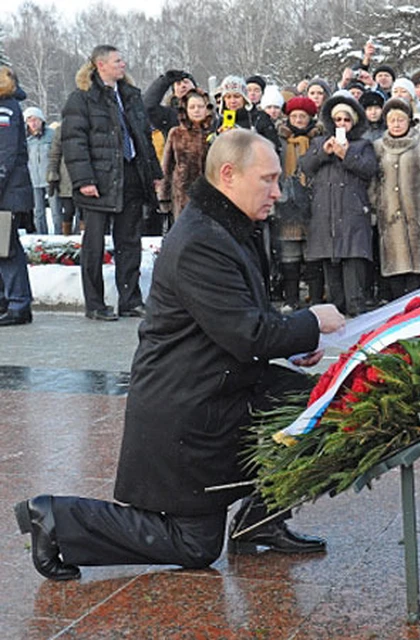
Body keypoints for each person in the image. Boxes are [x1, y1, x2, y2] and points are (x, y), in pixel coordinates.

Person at [13, 129, 345, 581]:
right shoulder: (203, 240)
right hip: (188, 408)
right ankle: (56, 520)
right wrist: (310, 322)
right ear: (228, 175)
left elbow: (245, 316)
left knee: (327, 408)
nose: (277, 191)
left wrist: (295, 343)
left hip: (222, 387)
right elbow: (247, 333)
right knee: (194, 546)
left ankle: (259, 522)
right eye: (267, 179)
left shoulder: (230, 225)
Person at [62, 45, 163, 321]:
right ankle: (95, 304)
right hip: (98, 181)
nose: (123, 64)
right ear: (101, 64)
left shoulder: (130, 96)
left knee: (129, 242)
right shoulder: (82, 98)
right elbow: (74, 143)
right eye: (118, 60)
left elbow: (143, 136)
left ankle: (130, 301)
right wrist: (84, 180)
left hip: (130, 177)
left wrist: (153, 172)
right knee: (94, 245)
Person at [300, 92, 378, 316]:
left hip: (352, 216)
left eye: (346, 119)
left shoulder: (363, 145)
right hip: (326, 217)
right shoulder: (319, 142)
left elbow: (369, 169)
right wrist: (323, 153)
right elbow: (305, 166)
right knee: (333, 285)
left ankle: (357, 315)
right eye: (337, 119)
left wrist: (347, 155)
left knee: (354, 279)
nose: (342, 124)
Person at [371, 98, 420, 299]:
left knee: (417, 270)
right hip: (389, 219)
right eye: (392, 120)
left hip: (418, 218)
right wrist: (373, 210)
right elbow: (373, 184)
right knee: (394, 268)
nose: (396, 124)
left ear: (409, 121)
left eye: (401, 120)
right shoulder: (378, 147)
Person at [276, 96, 323, 312]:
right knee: (289, 255)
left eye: (302, 116)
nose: (298, 120)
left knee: (312, 253)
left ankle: (315, 299)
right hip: (287, 202)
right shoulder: (280, 140)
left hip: (312, 201)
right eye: (294, 116)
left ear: (310, 118)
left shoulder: (318, 139)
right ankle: (290, 299)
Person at [0, 65, 35, 326]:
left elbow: (6, 153)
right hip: (7, 191)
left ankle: (18, 304)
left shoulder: (6, 108)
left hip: (7, 192)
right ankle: (9, 300)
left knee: (7, 249)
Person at [159, 88, 216, 220]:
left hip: (210, 195)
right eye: (192, 107)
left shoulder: (215, 132)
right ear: (185, 110)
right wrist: (164, 196)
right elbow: (167, 167)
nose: (196, 110)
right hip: (182, 195)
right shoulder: (176, 133)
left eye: (200, 106)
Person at [24, 106, 54, 234]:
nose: (33, 123)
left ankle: (58, 236)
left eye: (36, 120)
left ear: (41, 120)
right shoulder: (24, 139)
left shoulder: (52, 135)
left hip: (50, 178)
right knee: (38, 211)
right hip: (33, 179)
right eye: (30, 120)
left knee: (56, 211)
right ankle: (41, 236)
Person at [47, 123, 78, 235]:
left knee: (84, 213)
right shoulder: (61, 131)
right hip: (66, 179)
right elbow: (54, 155)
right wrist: (52, 176)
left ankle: (83, 238)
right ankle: (67, 237)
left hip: (86, 178)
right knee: (68, 211)